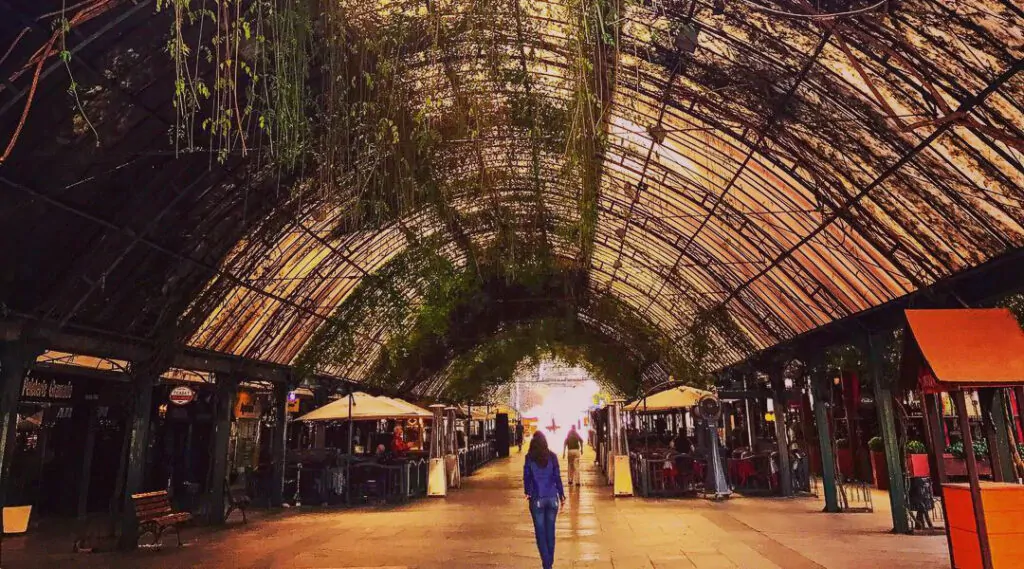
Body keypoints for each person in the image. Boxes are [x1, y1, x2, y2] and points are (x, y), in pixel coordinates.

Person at [523, 432, 565, 569]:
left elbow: (527, 476)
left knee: (540, 534)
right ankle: (549, 563)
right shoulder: (552, 456)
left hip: (537, 499)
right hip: (553, 499)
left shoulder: (529, 458)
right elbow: (557, 476)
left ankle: (547, 565)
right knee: (550, 533)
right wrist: (562, 494)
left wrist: (528, 492)